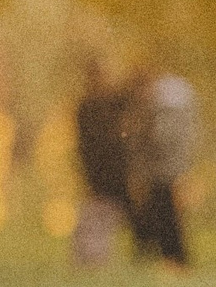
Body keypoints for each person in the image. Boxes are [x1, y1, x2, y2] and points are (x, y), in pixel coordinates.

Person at [127, 71, 198, 266]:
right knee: (162, 214)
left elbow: (159, 140)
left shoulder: (162, 108)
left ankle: (172, 259)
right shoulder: (170, 104)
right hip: (163, 171)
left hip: (165, 172)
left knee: (166, 215)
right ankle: (165, 258)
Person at [71, 61, 134, 266]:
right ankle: (93, 258)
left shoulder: (98, 104)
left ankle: (93, 258)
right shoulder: (93, 106)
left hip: (107, 172)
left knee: (100, 216)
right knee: (100, 216)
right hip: (103, 171)